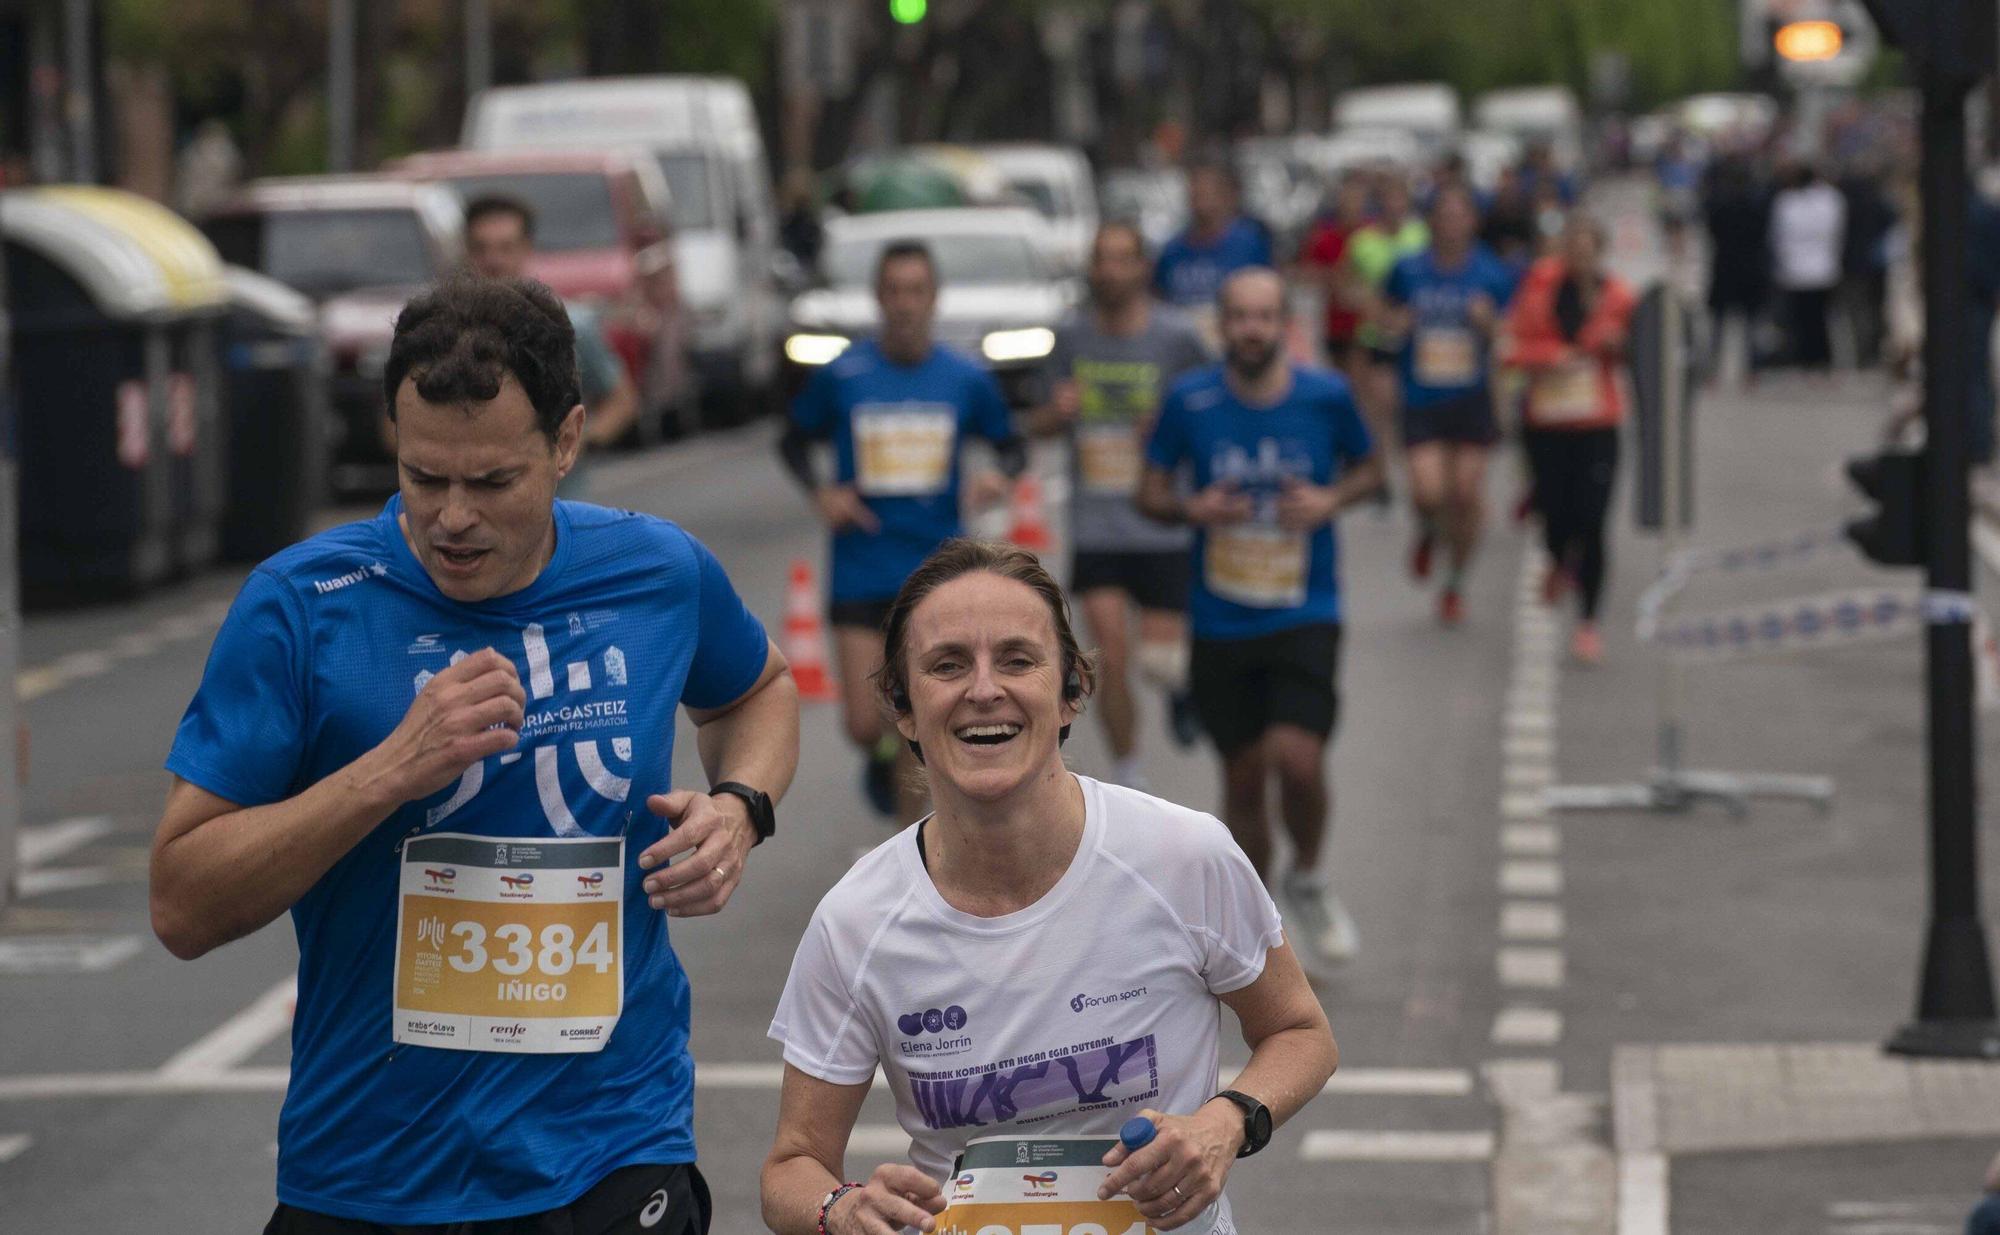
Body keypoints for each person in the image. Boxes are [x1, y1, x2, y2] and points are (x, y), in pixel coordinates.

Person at [151, 276, 801, 1232]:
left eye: (493, 482)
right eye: (425, 478)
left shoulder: (655, 571)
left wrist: (739, 807)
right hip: (373, 1170)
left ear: (568, 441)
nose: (452, 517)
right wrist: (390, 769)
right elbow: (181, 902)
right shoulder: (304, 602)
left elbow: (759, 689)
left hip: (614, 1146)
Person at [760, 539, 1337, 1235]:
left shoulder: (1182, 855)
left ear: (1072, 693)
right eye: (947, 665)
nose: (983, 689)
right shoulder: (855, 920)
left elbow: (1301, 1031)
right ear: (903, 707)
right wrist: (841, 1207)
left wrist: (1226, 1120)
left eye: (1017, 659)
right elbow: (792, 1167)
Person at [1138, 268, 1385, 972]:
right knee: (1243, 779)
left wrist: (1330, 500)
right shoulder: (1191, 401)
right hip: (1220, 620)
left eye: (1265, 316)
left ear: (1284, 323)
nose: (1252, 329)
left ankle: (1307, 875)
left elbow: (1373, 469)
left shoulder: (1326, 395)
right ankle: (1259, 921)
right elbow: (1149, 490)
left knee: (1298, 761)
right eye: (1239, 317)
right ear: (1223, 324)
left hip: (1305, 609)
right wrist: (1194, 509)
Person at [779, 240, 1024, 822]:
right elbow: (792, 438)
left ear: (934, 298)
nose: (905, 304)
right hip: (862, 565)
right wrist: (823, 494)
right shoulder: (845, 374)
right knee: (866, 723)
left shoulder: (964, 377)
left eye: (917, 291)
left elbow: (1013, 444)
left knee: (920, 714)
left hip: (937, 574)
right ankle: (883, 760)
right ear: (879, 299)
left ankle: (915, 848)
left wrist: (995, 477)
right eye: (894, 291)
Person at [1028, 221, 1212, 785]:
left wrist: (1171, 427)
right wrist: (1057, 413)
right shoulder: (1070, 338)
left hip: (1161, 524)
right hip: (1098, 525)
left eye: (1121, 259)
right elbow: (1035, 424)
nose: (1108, 270)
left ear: (1142, 268)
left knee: (1159, 664)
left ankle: (1183, 688)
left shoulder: (1177, 339)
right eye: (1100, 259)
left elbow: (1215, 415)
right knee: (1107, 658)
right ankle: (1127, 775)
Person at [1379, 184, 1520, 625]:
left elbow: (1513, 334)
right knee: (1427, 493)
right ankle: (1426, 530)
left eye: (1461, 215)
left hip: (1472, 398)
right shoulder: (1407, 269)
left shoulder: (1491, 271)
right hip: (1421, 397)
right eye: (1444, 215)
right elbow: (1380, 320)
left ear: (1473, 223)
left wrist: (1489, 324)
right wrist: (1395, 326)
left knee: (1464, 495)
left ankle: (1455, 581)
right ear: (1431, 222)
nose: (1452, 224)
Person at [1505, 215, 1638, 666]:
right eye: (1572, 248)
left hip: (1597, 423)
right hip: (1546, 421)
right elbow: (1513, 347)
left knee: (1594, 520)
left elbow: (1641, 352)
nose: (1579, 257)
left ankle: (1588, 622)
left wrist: (1619, 344)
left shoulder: (1618, 296)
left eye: (1588, 248)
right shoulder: (1539, 287)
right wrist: (1550, 356)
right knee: (1555, 515)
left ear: (1599, 251)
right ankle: (1559, 560)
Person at [464, 195, 639, 498]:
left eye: (506, 247)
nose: (494, 261)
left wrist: (580, 440)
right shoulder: (441, 331)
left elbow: (622, 401)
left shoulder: (569, 327)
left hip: (557, 510)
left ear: (527, 248)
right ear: (466, 252)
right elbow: (394, 425)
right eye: (482, 248)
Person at [1154, 159, 1276, 313]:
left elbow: (1270, 291)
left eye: (1207, 192)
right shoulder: (1172, 250)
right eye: (1195, 192)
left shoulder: (1250, 243)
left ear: (1225, 195)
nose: (1200, 201)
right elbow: (1159, 298)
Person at [1701, 153, 1773, 387]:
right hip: (1753, 270)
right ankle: (1751, 372)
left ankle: (1712, 372)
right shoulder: (1758, 206)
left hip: (1724, 269)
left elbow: (1710, 229)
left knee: (1718, 326)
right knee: (1752, 326)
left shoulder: (1718, 205)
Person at [1769, 163, 1846, 375]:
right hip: (1823, 268)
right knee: (1819, 319)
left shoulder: (1786, 203)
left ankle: (1806, 360)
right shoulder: (1831, 200)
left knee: (1802, 320)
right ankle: (1821, 360)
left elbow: (1778, 237)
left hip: (1797, 269)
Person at [1299, 173, 1373, 372]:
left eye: (1357, 200)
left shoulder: (1373, 234)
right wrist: (1332, 278)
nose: (1352, 206)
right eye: (1347, 199)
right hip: (1335, 324)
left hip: (1367, 326)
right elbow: (1306, 273)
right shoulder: (1324, 236)